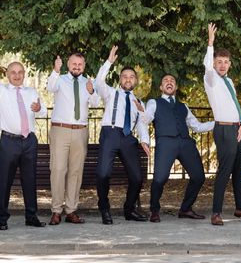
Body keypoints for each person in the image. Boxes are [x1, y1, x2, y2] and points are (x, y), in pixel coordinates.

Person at [142, 72, 214, 223]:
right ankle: (154, 210)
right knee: (160, 179)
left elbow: (197, 127)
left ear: (175, 86)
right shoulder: (153, 103)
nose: (169, 82)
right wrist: (144, 139)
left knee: (199, 176)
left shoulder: (183, 107)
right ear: (161, 87)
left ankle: (186, 209)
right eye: (166, 80)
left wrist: (217, 123)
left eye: (172, 80)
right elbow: (145, 119)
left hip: (185, 142)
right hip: (166, 142)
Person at [203, 23, 241, 226]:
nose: (222, 65)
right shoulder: (211, 80)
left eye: (226, 62)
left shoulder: (229, 81)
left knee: (239, 171)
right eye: (219, 62)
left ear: (230, 64)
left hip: (237, 128)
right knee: (224, 171)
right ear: (214, 63)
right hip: (224, 129)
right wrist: (210, 43)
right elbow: (207, 66)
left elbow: (235, 105)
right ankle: (216, 212)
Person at [94, 45, 150, 224]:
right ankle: (104, 208)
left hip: (128, 138)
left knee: (137, 178)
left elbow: (142, 124)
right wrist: (109, 62)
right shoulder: (110, 93)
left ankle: (129, 209)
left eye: (131, 77)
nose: (128, 79)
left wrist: (144, 141)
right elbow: (98, 83)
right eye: (125, 76)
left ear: (136, 81)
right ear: (120, 80)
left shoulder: (139, 101)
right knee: (103, 174)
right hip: (110, 133)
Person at [46, 53, 100, 225]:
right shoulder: (60, 79)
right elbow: (49, 87)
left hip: (80, 131)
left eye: (80, 64)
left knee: (76, 172)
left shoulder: (88, 82)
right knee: (58, 170)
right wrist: (55, 69)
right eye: (74, 63)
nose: (77, 66)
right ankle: (56, 211)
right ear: (68, 64)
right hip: (60, 129)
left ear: (84, 65)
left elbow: (96, 102)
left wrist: (92, 91)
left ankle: (71, 210)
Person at [0, 62, 48, 230]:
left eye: (20, 72)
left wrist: (39, 108)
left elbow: (44, 113)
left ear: (24, 74)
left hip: (29, 141)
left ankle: (31, 216)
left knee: (30, 179)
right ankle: (1, 218)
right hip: (9, 141)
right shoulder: (2, 91)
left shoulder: (31, 92)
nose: (17, 75)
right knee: (4, 180)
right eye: (13, 72)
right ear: (7, 75)